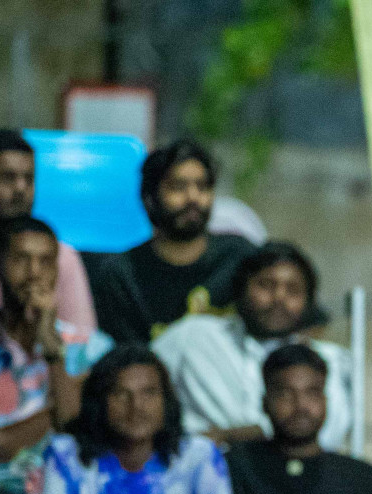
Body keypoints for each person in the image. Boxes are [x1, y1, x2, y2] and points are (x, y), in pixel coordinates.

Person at [152, 241, 352, 450]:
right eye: (266, 285)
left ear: (308, 303)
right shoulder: (194, 337)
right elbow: (138, 381)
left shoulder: (324, 359)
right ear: (241, 289)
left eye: (293, 290)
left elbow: (329, 435)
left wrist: (232, 436)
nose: (278, 299)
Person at [40, 346, 237, 494]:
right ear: (99, 401)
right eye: (120, 394)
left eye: (149, 393)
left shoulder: (200, 456)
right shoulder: (65, 457)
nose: (136, 406)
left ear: (166, 401)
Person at [0, 216, 111, 494]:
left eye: (45, 262)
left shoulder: (94, 350)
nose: (34, 273)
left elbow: (76, 429)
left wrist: (53, 351)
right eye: (21, 259)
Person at [89, 139, 255, 345]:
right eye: (178, 187)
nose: (193, 197)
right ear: (150, 197)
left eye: (202, 187)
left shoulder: (240, 257)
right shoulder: (121, 276)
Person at [226, 344, 372, 494]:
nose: (301, 406)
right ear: (264, 403)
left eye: (312, 392)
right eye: (285, 394)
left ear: (325, 400)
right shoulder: (233, 470)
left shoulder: (361, 478)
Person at [0, 129, 97, 331]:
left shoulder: (60, 257)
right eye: (7, 178)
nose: (21, 189)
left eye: (29, 179)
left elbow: (83, 342)